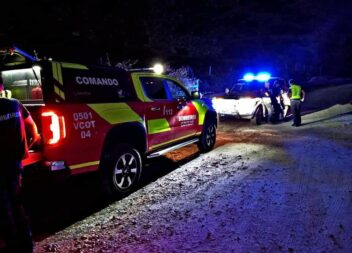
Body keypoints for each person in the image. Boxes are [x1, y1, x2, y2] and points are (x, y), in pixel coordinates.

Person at [0, 78, 40, 252]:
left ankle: (12, 244)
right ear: (1, 88)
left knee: (4, 204)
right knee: (16, 201)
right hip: (16, 164)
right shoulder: (15, 104)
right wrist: (26, 149)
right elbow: (34, 132)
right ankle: (27, 243)